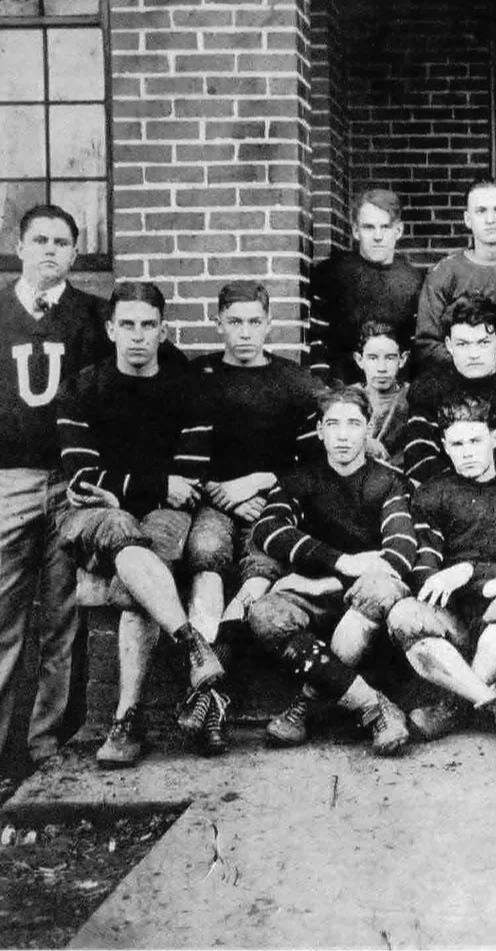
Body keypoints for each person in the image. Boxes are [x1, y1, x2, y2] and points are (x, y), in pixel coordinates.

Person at [54, 281, 223, 767]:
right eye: (126, 325)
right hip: (91, 512)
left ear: (163, 330)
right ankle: (192, 645)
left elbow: (188, 479)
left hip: (160, 511)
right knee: (121, 529)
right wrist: (150, 485)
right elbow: (84, 480)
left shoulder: (188, 388)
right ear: (110, 329)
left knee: (138, 566)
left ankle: (126, 722)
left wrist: (128, 486)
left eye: (148, 325)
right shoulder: (82, 388)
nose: (137, 336)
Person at [181, 281, 324, 749]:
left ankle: (210, 703)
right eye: (234, 322)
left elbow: (318, 451)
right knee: (205, 552)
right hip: (213, 500)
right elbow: (178, 452)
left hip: (270, 501)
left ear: (269, 323)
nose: (245, 332)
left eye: (254, 322)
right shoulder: (199, 376)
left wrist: (260, 480)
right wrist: (223, 495)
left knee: (260, 567)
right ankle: (204, 686)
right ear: (217, 322)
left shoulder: (293, 380)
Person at [0, 204, 111, 784]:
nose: (50, 250)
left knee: (63, 616)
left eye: (62, 242)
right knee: (3, 617)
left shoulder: (92, 317)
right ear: (19, 246)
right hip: (8, 481)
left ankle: (45, 747)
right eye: (39, 239)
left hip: (71, 484)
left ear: (74, 252)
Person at [246, 386, 416, 756]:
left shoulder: (387, 482)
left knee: (377, 589)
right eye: (333, 424)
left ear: (368, 430)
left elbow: (400, 554)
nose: (343, 435)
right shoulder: (299, 480)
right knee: (265, 614)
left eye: (353, 424)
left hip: (367, 608)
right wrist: (342, 563)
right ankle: (375, 705)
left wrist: (326, 581)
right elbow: (268, 530)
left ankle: (305, 705)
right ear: (320, 430)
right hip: (320, 600)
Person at [386, 398, 496, 745]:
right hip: (452, 620)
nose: (467, 452)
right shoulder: (432, 495)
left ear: (495, 439)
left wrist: (468, 571)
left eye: (475, 441)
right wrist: (474, 577)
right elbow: (426, 573)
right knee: (403, 615)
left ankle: (454, 705)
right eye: (457, 444)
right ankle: (493, 705)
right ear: (444, 447)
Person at [403, 293, 496, 485]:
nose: (474, 354)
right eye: (463, 344)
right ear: (449, 345)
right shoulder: (429, 389)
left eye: (483, 342)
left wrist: (495, 487)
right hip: (448, 497)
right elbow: (420, 458)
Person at [413, 180, 496, 376]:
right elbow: (426, 343)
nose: (490, 219)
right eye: (481, 211)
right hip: (460, 383)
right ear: (467, 219)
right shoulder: (445, 272)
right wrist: (474, 367)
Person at [308, 188, 424, 384]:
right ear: (355, 230)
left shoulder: (414, 281)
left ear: (399, 230)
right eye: (369, 227)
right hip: (343, 393)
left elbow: (417, 348)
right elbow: (316, 341)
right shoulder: (331, 274)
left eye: (385, 227)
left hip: (395, 395)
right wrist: (327, 391)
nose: (378, 236)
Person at [354, 322, 410, 467]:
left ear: (402, 359)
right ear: (359, 360)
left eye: (390, 358)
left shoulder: (411, 398)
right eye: (373, 358)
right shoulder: (347, 399)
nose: (381, 368)